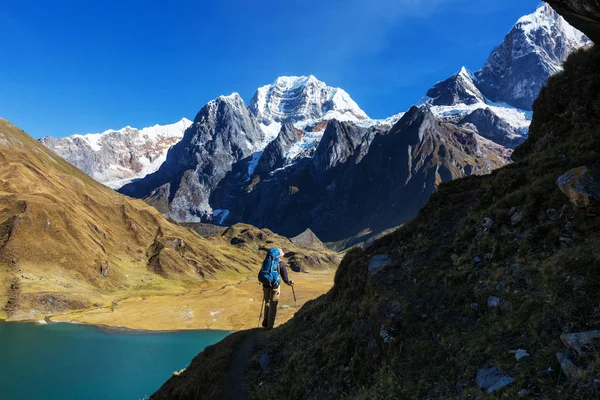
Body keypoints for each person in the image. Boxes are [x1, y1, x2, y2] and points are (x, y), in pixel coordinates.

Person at [260, 248, 293, 329]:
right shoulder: (281, 263)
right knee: (273, 305)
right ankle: (270, 326)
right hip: (275, 287)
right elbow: (285, 278)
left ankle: (265, 321)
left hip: (265, 285)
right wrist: (289, 283)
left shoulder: (266, 261)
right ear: (279, 255)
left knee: (267, 303)